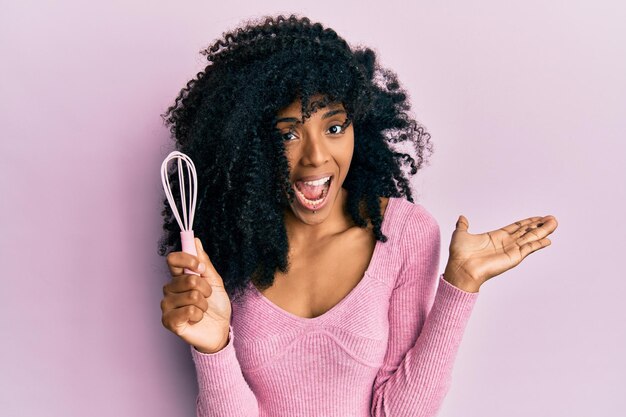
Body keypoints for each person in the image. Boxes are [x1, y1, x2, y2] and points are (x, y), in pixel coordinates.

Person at [158, 14, 558, 417]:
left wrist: (461, 285)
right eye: (288, 134)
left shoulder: (404, 234)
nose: (316, 156)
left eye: (334, 128)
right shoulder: (229, 243)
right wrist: (212, 350)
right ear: (249, 143)